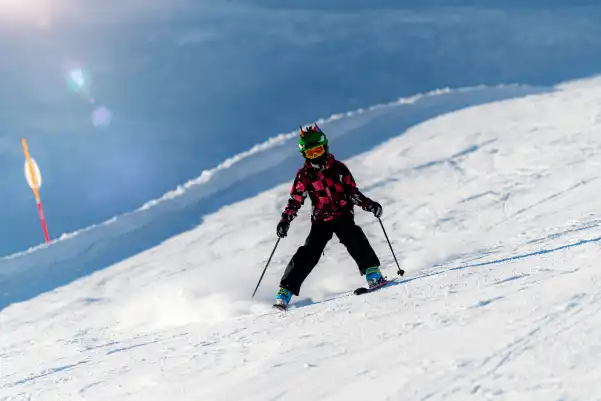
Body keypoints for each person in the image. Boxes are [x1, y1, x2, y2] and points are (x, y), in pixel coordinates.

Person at [274, 123, 385, 309]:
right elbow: (295, 200)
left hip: (342, 214)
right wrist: (285, 220)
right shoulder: (304, 176)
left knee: (354, 237)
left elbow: (352, 191)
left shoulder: (339, 169)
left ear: (325, 147)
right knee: (309, 251)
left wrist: (369, 205)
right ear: (304, 155)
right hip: (320, 221)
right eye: (310, 153)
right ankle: (285, 291)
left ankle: (372, 272)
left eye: (318, 150)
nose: (316, 156)